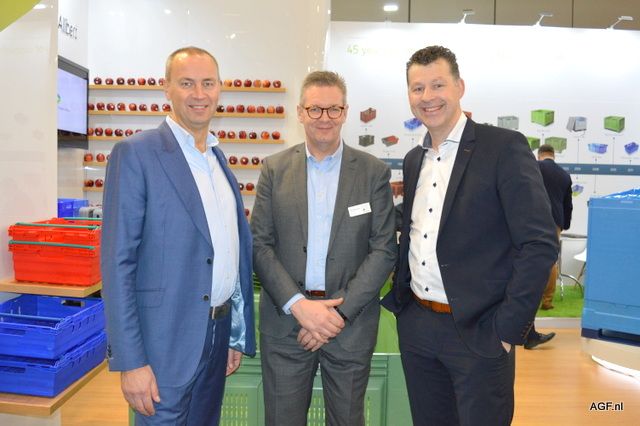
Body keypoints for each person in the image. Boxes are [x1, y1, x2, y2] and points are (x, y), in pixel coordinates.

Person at [381, 46, 559, 426]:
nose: (427, 97)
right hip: (418, 326)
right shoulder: (413, 160)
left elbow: (539, 242)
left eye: (438, 85)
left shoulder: (503, 148)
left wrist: (507, 329)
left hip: (480, 332)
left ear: (460, 87)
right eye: (417, 88)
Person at [101, 46, 255, 425]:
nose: (199, 94)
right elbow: (118, 263)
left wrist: (234, 332)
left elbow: (227, 251)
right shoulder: (136, 154)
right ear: (166, 88)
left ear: (220, 88)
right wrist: (131, 361)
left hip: (216, 335)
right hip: (162, 347)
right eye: (187, 83)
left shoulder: (217, 160)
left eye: (208, 83)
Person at [251, 71, 396, 426]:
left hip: (349, 326)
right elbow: (259, 245)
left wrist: (337, 316)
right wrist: (300, 306)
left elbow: (383, 250)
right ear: (300, 112)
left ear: (346, 112)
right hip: (286, 323)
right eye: (315, 109)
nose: (324, 118)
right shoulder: (274, 169)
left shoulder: (373, 172)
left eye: (334, 109)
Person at [524, 144, 574, 349]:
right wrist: (564, 224)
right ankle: (547, 301)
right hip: (555, 221)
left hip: (532, 220)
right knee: (550, 261)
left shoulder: (533, 167)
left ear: (539, 155)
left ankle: (529, 313)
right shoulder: (564, 175)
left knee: (528, 265)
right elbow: (568, 204)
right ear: (554, 155)